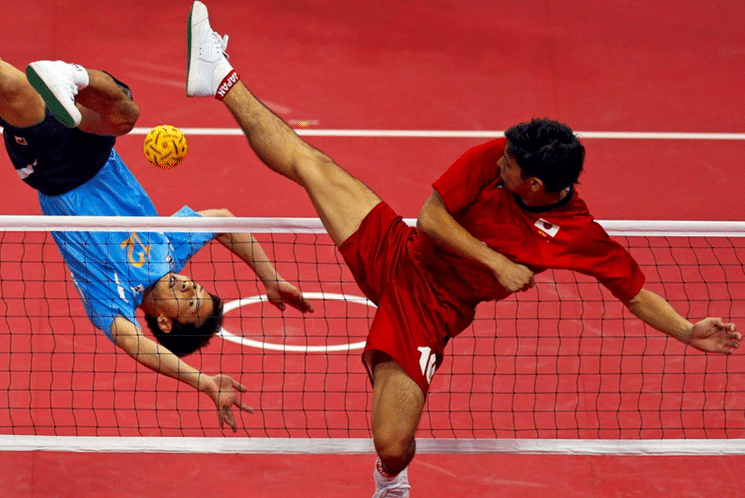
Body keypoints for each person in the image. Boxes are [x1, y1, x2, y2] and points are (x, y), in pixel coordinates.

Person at [184, 1, 742, 495]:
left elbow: (634, 291)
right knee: (312, 164)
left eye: (510, 168)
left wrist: (688, 331)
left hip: (430, 308)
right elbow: (429, 218)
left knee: (392, 443)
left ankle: (390, 479)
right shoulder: (498, 153)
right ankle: (221, 75)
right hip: (400, 250)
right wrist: (496, 261)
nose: (499, 163)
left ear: (538, 187)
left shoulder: (577, 234)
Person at [0, 0, 314, 432]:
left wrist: (203, 383)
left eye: (190, 299)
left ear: (163, 319)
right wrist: (269, 277)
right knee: (126, 113)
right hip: (96, 148)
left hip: (52, 171)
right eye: (197, 288)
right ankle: (69, 77)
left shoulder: (112, 298)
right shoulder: (170, 252)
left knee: (6, 81)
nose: (189, 284)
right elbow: (222, 220)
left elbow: (135, 345)